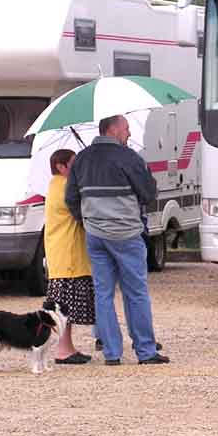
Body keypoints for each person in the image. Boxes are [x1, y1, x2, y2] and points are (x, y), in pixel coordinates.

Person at [65, 114, 169, 365]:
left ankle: (112, 353)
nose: (129, 134)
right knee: (136, 293)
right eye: (126, 129)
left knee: (103, 293)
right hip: (126, 234)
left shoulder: (82, 159)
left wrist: (87, 221)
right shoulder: (130, 158)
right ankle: (145, 351)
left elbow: (71, 199)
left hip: (96, 236)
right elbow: (147, 194)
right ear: (112, 130)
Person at [44, 149, 94, 365]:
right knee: (64, 308)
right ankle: (63, 350)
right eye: (74, 163)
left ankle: (68, 347)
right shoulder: (64, 187)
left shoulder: (54, 185)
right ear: (61, 167)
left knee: (66, 308)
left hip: (62, 256)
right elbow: (82, 209)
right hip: (68, 258)